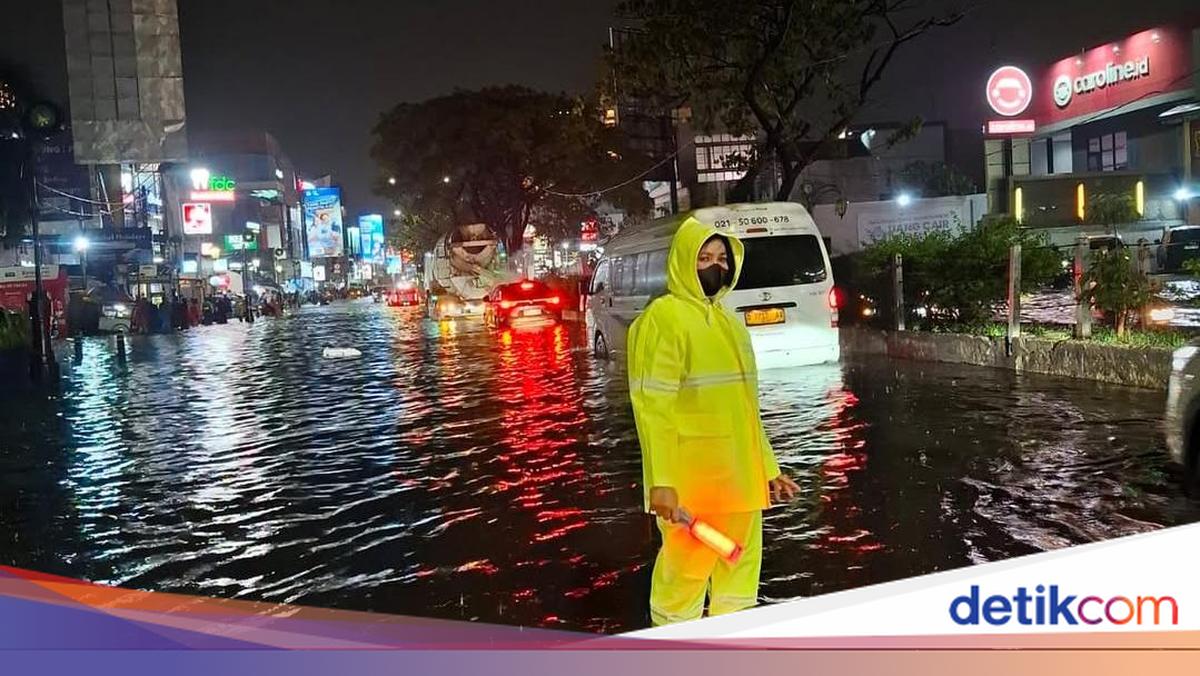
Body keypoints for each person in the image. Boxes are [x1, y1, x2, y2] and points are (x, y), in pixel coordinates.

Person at [627, 217, 801, 627]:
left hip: (742, 485)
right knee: (683, 583)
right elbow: (654, 408)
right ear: (684, 261)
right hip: (694, 490)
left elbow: (744, 409)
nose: (715, 266)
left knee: (739, 585)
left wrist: (769, 470)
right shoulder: (663, 319)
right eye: (704, 257)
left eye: (723, 258)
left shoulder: (727, 321)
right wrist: (662, 482)